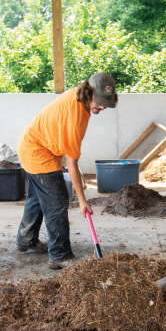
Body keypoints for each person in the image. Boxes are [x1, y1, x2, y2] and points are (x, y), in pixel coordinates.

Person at [16, 72, 118, 269]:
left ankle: (26, 239)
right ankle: (60, 256)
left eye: (106, 103)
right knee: (56, 201)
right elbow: (72, 164)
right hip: (38, 152)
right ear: (88, 93)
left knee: (38, 196)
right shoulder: (75, 118)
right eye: (100, 102)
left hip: (33, 145)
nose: (103, 107)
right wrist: (82, 200)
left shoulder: (78, 96)